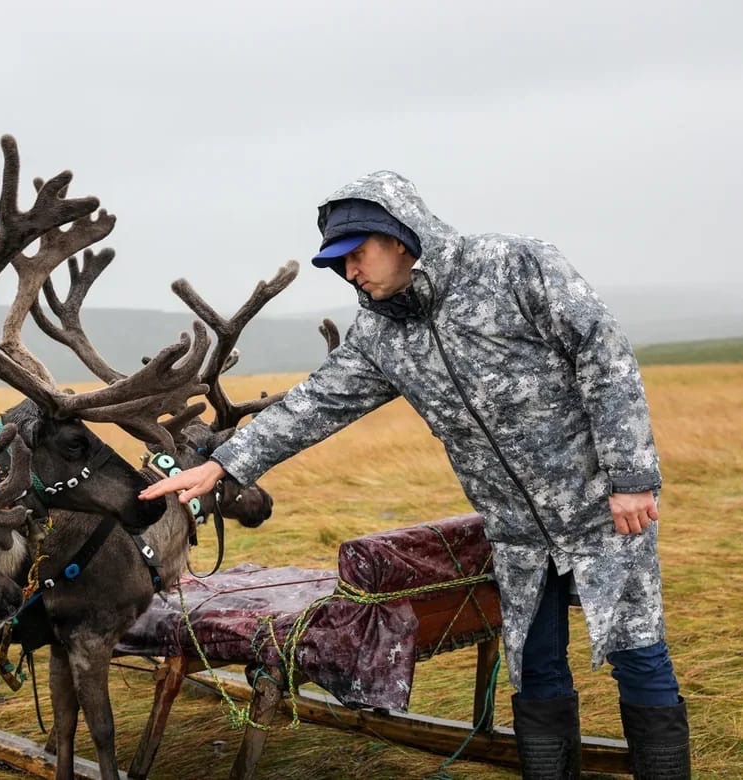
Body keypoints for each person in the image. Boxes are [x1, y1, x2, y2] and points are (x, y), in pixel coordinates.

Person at [138, 171, 689, 779]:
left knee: (637, 655)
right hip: (516, 533)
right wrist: (224, 464)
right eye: (337, 264)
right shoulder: (379, 332)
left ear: (399, 236)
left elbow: (603, 352)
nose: (350, 273)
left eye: (356, 255)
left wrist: (631, 475)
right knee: (536, 668)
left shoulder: (512, 264)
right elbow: (314, 405)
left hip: (603, 507)